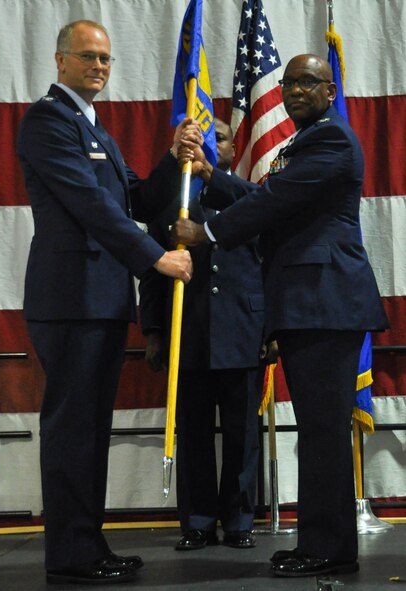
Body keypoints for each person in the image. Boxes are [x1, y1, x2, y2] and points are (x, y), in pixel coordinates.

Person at [172, 54, 389, 577]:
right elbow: (272, 198)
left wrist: (208, 233)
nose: (294, 91)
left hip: (325, 301)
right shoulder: (305, 141)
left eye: (307, 82)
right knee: (317, 430)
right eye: (289, 82)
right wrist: (210, 175)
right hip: (309, 303)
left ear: (330, 91)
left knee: (323, 432)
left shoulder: (330, 138)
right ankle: (318, 539)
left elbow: (274, 202)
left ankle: (331, 547)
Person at [16, 20, 195, 585]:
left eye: (107, 60)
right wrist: (155, 260)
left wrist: (172, 156)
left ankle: (87, 545)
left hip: (99, 300)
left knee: (90, 430)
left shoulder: (95, 129)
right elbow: (92, 206)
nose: (99, 67)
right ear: (60, 60)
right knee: (73, 429)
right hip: (71, 300)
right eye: (88, 57)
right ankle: (71, 553)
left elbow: (137, 198)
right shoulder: (48, 122)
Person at [139, 118, 265, 552]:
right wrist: (154, 331)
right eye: (208, 138)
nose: (215, 145)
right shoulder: (172, 203)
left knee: (242, 434)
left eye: (222, 139)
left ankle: (239, 520)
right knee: (192, 433)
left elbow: (268, 266)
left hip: (242, 331)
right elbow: (152, 272)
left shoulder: (248, 198)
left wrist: (271, 330)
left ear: (233, 150)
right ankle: (196, 521)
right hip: (188, 333)